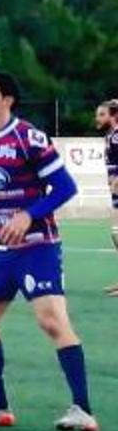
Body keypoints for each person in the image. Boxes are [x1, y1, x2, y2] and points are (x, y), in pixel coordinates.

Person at [0, 71, 96, 431]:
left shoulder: (28, 137)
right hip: (0, 248)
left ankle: (82, 409)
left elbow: (65, 187)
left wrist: (29, 215)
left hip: (38, 246)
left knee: (52, 321)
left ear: (7, 100)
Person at [96, 100, 118, 295]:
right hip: (115, 189)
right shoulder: (111, 136)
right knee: (116, 234)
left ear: (112, 116)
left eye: (102, 115)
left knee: (117, 233)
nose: (97, 118)